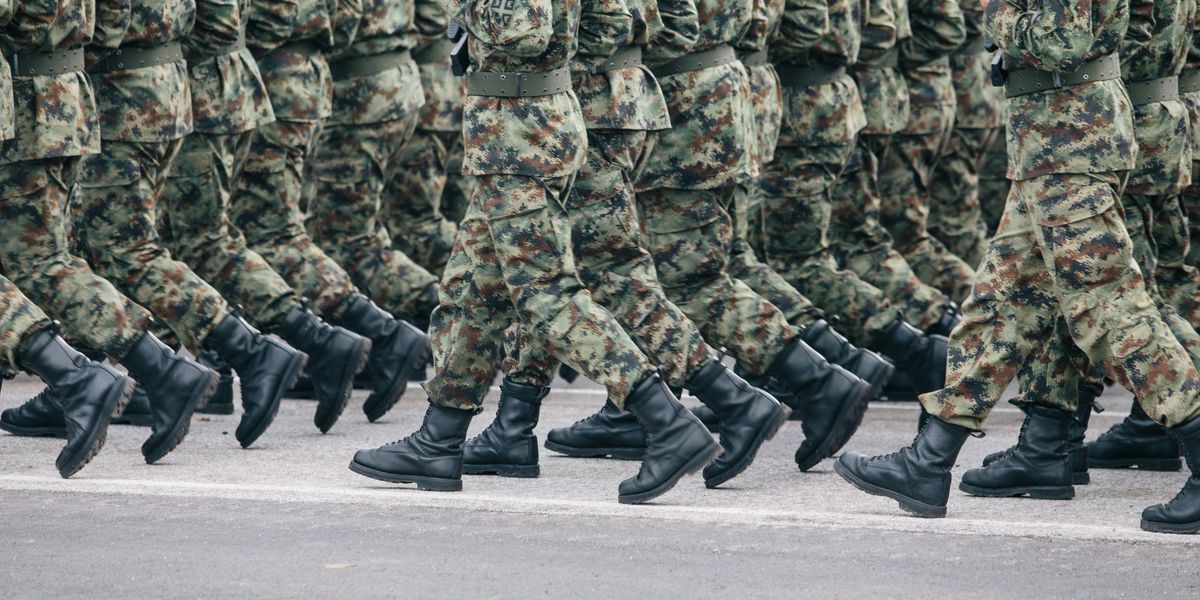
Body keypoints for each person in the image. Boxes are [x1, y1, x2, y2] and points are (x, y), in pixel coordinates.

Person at [834, 0, 1200, 535]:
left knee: (1107, 306)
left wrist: (996, 17)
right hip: (1052, 135)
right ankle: (929, 461)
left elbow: (1065, 38)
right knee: (1002, 301)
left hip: (1070, 134)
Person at [349, 0, 721, 505]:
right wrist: (554, 71)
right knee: (472, 287)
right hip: (529, 120)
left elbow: (522, 29)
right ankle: (440, 439)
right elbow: (608, 22)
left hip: (518, 128)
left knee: (546, 293)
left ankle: (666, 420)